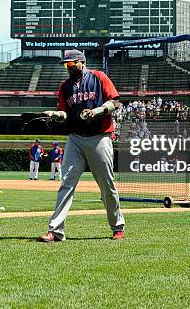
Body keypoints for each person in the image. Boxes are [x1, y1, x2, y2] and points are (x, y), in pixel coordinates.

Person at [39, 49, 125, 242]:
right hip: (75, 138)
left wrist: (98, 110)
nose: (68, 67)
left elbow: (116, 102)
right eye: (66, 65)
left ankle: (118, 227)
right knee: (66, 183)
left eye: (71, 64)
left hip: (99, 137)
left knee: (106, 185)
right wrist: (55, 115)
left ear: (81, 62)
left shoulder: (98, 77)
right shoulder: (65, 87)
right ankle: (55, 231)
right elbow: (65, 114)